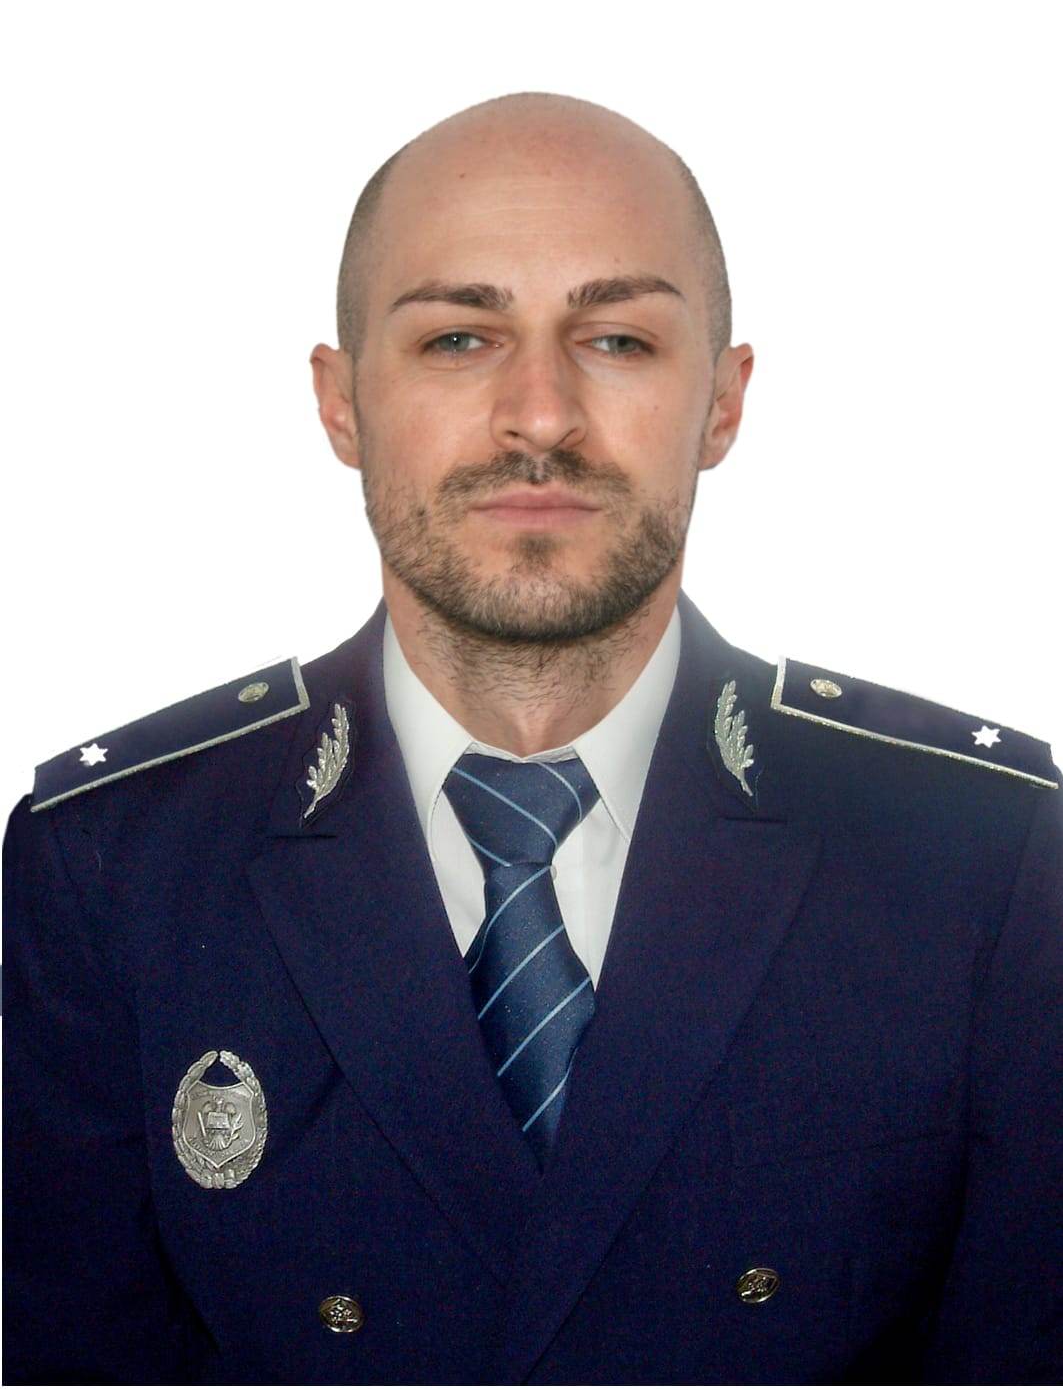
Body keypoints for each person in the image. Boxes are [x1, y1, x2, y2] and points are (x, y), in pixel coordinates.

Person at [3, 90, 1060, 1386]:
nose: (542, 415)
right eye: (458, 338)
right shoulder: (109, 871)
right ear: (341, 405)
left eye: (617, 339)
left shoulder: (983, 861)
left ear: (723, 402)